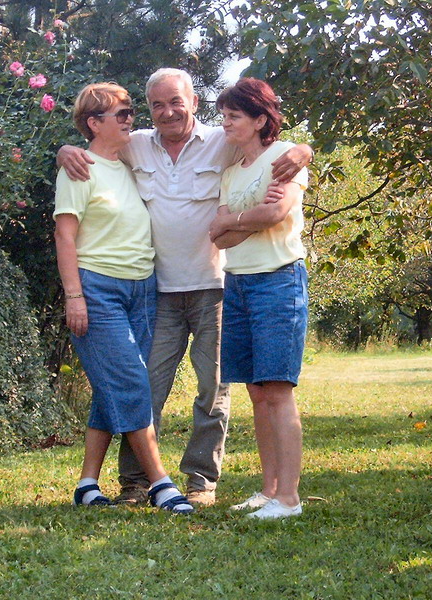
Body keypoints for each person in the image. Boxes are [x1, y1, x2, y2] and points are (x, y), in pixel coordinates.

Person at [57, 68, 313, 506]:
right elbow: (96, 145)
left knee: (213, 392)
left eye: (176, 101)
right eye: (156, 105)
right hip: (157, 290)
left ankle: (201, 481)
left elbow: (271, 146)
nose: (167, 112)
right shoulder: (136, 143)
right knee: (146, 386)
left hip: (215, 287)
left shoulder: (222, 139)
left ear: (194, 102)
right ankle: (136, 483)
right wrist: (65, 150)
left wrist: (304, 151)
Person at [54, 82, 193, 514]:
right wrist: (74, 296)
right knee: (132, 384)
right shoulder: (79, 169)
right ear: (94, 123)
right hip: (98, 290)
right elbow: (64, 235)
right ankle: (161, 485)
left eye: (132, 111)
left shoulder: (130, 161)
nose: (131, 119)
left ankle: (87, 485)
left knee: (112, 385)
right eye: (122, 113)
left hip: (143, 290)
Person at [208, 78, 309, 519]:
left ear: (260, 119)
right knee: (255, 391)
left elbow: (277, 212)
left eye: (234, 116)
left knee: (277, 389)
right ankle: (269, 491)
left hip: (278, 282)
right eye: (223, 116)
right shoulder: (232, 173)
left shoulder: (284, 156)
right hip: (238, 284)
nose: (225, 123)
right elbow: (219, 237)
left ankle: (289, 498)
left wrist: (237, 218)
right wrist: (251, 218)